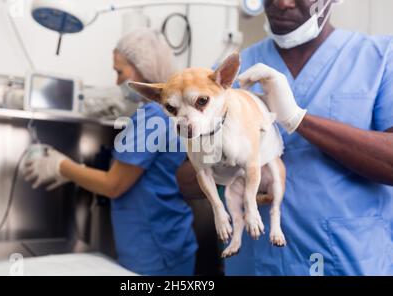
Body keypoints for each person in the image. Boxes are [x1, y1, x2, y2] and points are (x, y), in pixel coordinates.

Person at [226, 0, 393, 275]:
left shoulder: (380, 58)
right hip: (257, 262)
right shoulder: (232, 71)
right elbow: (187, 180)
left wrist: (296, 119)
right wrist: (227, 168)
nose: (282, 3)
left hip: (347, 259)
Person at [23, 28, 198, 276]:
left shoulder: (153, 116)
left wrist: (61, 166)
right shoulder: (164, 112)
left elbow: (114, 185)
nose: (117, 81)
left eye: (120, 72)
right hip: (160, 242)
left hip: (156, 250)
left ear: (142, 68)